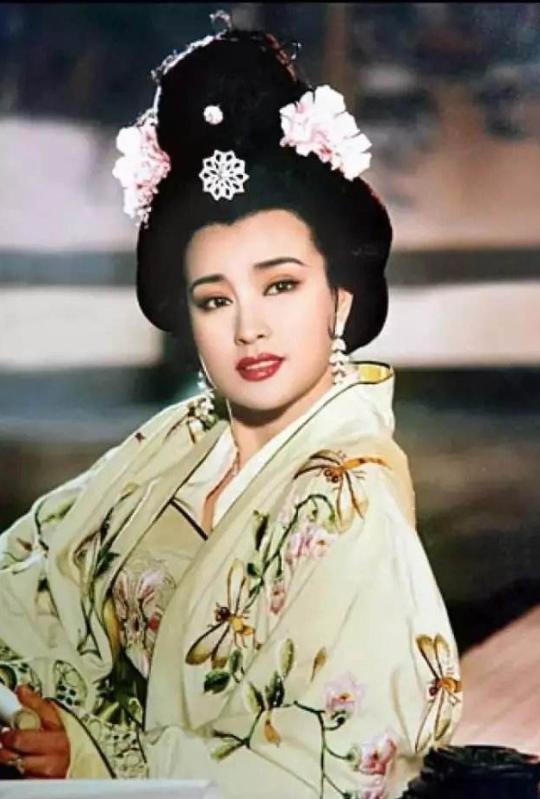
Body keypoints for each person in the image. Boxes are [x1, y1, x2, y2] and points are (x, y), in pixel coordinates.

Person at [0, 12, 462, 799]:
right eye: (215, 299)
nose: (249, 326)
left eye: (280, 285)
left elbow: (336, 761)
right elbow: (29, 572)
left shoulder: (348, 502)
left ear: (340, 299)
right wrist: (42, 723)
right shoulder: (179, 444)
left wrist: (96, 753)